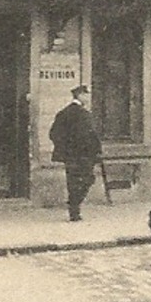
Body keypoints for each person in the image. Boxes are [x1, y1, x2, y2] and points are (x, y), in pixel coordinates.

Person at [48, 85, 101, 221]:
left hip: (75, 156)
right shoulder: (77, 113)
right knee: (85, 180)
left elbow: (54, 134)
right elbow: (55, 134)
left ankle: (74, 208)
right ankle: (74, 209)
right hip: (82, 155)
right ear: (80, 95)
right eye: (86, 94)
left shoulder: (67, 112)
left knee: (75, 182)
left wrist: (66, 150)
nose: (88, 97)